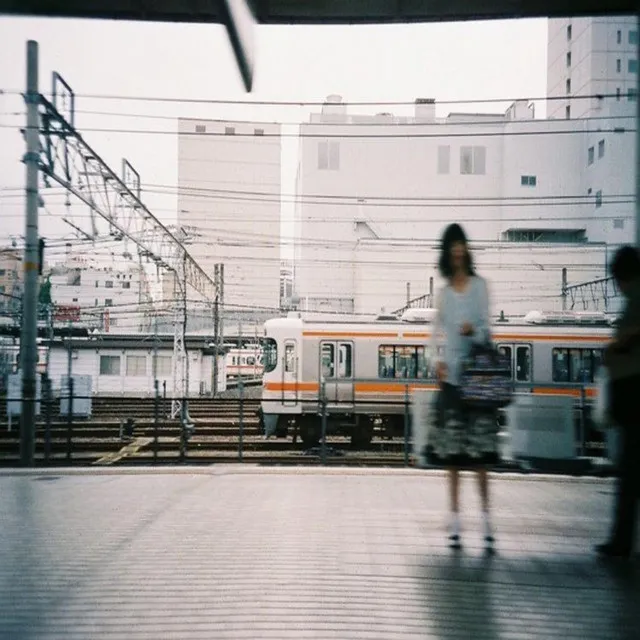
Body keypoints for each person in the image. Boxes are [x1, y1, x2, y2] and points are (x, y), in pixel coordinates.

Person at [427, 223, 499, 553]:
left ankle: (486, 521)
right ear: (447, 253)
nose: (458, 250)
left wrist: (475, 331)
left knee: (480, 457)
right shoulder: (442, 294)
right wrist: (436, 362)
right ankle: (455, 521)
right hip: (452, 383)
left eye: (461, 245)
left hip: (478, 382)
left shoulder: (480, 287)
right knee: (454, 458)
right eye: (452, 246)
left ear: (467, 250)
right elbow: (433, 337)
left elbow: (488, 333)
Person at [596, 245, 640, 559]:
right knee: (629, 472)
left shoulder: (635, 303)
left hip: (633, 398)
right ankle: (621, 539)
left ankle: (621, 541)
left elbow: (625, 343)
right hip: (630, 398)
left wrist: (613, 350)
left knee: (629, 472)